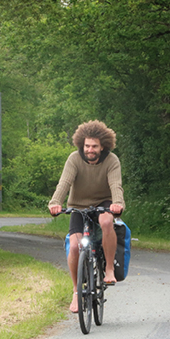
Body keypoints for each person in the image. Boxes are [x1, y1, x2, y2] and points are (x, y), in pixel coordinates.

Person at [49, 120, 125, 313]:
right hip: (78, 205)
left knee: (107, 221)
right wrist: (55, 202)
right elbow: (64, 182)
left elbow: (116, 185)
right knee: (74, 246)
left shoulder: (111, 160)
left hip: (104, 202)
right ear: (82, 144)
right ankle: (76, 292)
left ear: (102, 146)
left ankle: (108, 268)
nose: (90, 150)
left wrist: (118, 204)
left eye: (94, 146)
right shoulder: (74, 159)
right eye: (87, 146)